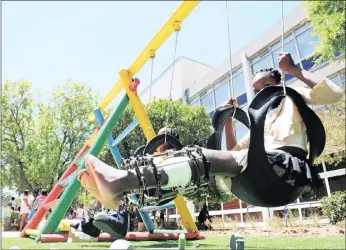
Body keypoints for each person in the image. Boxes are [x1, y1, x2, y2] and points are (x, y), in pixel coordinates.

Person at [78, 52, 343, 238]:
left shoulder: (292, 99)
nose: (259, 92)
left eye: (264, 86)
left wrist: (295, 71)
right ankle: (120, 190)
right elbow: (235, 154)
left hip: (285, 171)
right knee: (195, 160)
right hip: (263, 170)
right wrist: (227, 123)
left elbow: (334, 93)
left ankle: (119, 182)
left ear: (276, 84)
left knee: (200, 158)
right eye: (256, 88)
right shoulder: (259, 127)